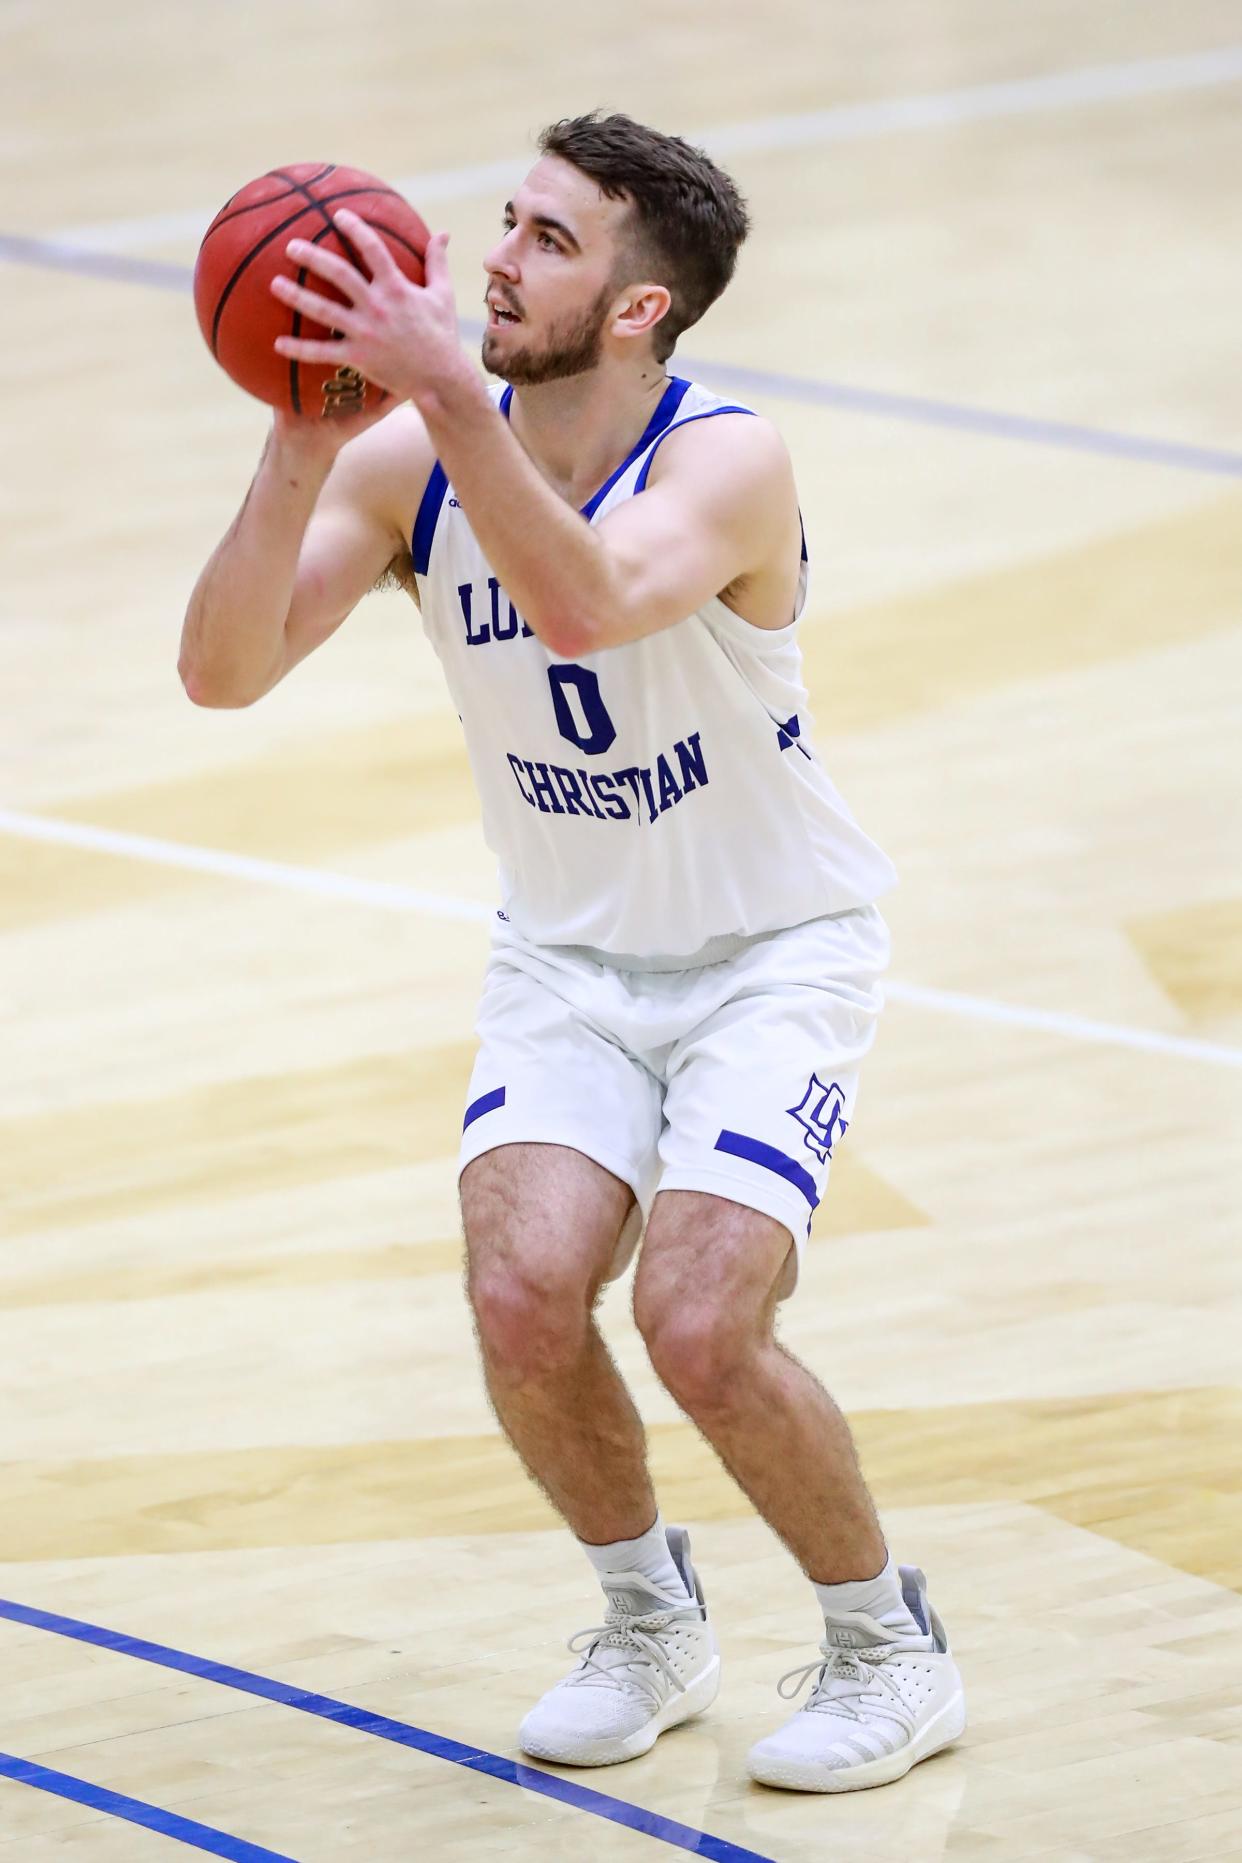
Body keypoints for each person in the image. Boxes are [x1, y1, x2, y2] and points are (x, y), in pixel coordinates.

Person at [179, 112, 965, 1793]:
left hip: (771, 952)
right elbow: (222, 674)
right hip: (570, 956)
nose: (495, 260)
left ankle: (887, 1646)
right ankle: (645, 1617)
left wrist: (444, 404)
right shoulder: (410, 467)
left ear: (635, 309)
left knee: (698, 1323)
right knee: (523, 1294)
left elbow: (592, 601)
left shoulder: (724, 460)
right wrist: (302, 439)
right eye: (506, 222)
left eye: (547, 239)